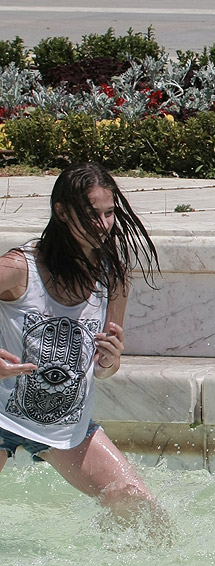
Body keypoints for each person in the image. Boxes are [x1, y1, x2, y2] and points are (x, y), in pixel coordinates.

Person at [0, 162, 168, 533]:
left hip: (67, 427)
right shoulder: (18, 268)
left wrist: (111, 360)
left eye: (109, 214)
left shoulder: (113, 274)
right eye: (93, 214)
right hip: (1, 416)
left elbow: (106, 368)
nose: (104, 224)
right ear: (61, 211)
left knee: (139, 508)